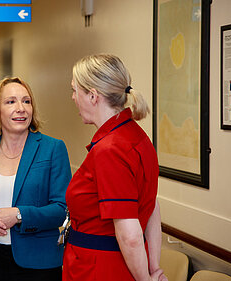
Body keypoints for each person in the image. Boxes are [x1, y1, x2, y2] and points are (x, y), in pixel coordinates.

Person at [63, 54, 167, 281]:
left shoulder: (110, 150)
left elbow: (130, 235)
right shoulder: (137, 136)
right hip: (123, 264)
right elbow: (151, 207)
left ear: (92, 95)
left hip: (100, 268)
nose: (73, 98)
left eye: (75, 90)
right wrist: (153, 268)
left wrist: (145, 279)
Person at [0, 77, 71, 281]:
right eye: (11, 102)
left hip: (39, 264)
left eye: (26, 101)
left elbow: (62, 208)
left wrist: (19, 215)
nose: (21, 108)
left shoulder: (52, 148)